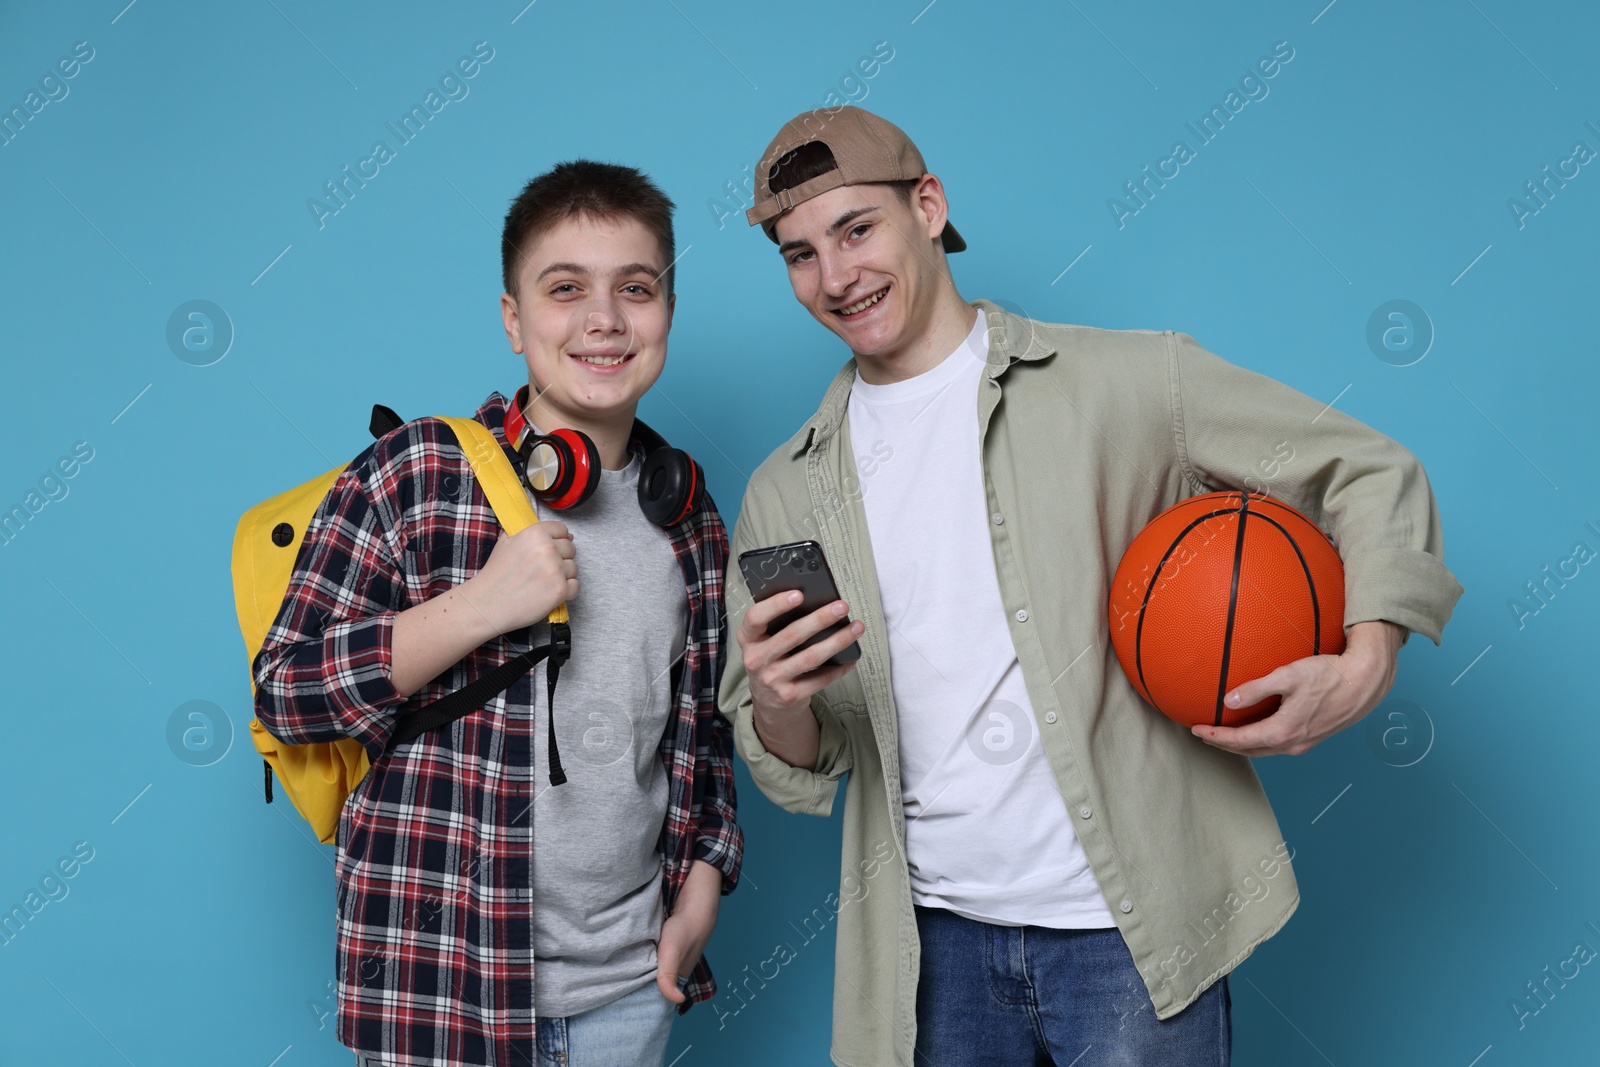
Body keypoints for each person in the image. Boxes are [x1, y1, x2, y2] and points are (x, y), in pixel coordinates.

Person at [718, 105, 1462, 1067]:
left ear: (929, 207)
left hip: (1130, 936)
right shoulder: (786, 487)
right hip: (927, 948)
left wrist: (1369, 660)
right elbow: (799, 760)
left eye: (857, 229)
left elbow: (1369, 472)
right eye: (799, 254)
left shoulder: (1129, 383)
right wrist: (777, 700)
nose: (836, 276)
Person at [254, 160, 742, 1067]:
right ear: (514, 319)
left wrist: (704, 883)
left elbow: (703, 733)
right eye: (566, 290)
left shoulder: (688, 516)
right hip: (443, 986)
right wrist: (479, 606)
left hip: (629, 993)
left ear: (667, 310)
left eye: (635, 288)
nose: (604, 319)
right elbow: (285, 691)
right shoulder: (417, 474)